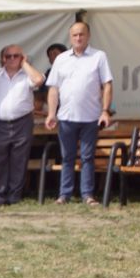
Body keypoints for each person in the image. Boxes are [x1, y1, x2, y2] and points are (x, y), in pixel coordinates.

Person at [45, 21, 113, 206]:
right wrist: (51, 113)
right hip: (66, 116)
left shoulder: (99, 56)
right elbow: (53, 89)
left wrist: (105, 111)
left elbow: (107, 84)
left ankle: (87, 195)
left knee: (87, 157)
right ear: (70, 37)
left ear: (88, 36)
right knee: (66, 157)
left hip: (91, 117)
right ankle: (64, 195)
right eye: (75, 35)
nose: (78, 38)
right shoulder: (61, 59)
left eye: (81, 34)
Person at [0, 45, 44, 205]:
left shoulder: (27, 74)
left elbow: (39, 80)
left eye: (16, 56)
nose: (12, 59)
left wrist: (25, 64)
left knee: (19, 160)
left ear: (22, 57)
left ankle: (14, 196)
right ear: (2, 59)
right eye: (8, 56)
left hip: (22, 121)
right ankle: (0, 195)